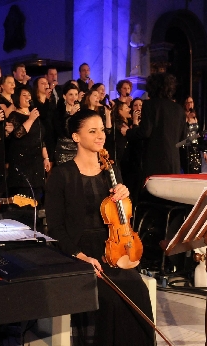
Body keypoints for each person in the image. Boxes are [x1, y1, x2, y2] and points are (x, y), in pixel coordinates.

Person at [45, 108, 154, 346]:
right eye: (92, 131)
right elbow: (55, 227)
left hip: (112, 249)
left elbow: (121, 218)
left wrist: (125, 195)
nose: (100, 136)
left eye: (101, 130)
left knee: (139, 292)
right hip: (77, 250)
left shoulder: (110, 171)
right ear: (76, 137)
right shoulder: (61, 175)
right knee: (110, 300)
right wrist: (79, 255)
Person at [121, 73, 186, 182]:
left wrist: (128, 132)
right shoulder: (179, 109)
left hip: (155, 161)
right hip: (174, 162)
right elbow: (183, 139)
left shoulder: (149, 105)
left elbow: (145, 132)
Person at [7, 85, 51, 202]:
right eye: (24, 95)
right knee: (23, 197)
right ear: (18, 98)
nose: (27, 97)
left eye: (29, 95)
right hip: (22, 161)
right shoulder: (14, 115)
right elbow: (18, 134)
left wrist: (46, 157)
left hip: (36, 161)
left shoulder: (35, 116)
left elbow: (41, 138)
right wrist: (30, 119)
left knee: (37, 196)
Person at [53, 81, 80, 165]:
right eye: (70, 94)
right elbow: (62, 132)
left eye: (76, 94)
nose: (74, 97)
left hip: (77, 151)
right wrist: (70, 115)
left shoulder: (81, 112)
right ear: (65, 96)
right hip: (63, 151)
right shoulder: (59, 112)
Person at [180, 96, 206, 173]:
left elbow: (199, 134)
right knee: (188, 168)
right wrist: (187, 118)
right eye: (187, 103)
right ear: (184, 104)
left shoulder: (196, 116)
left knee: (197, 169)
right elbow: (182, 130)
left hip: (196, 146)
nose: (189, 105)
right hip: (186, 146)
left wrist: (203, 151)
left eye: (191, 102)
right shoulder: (181, 116)